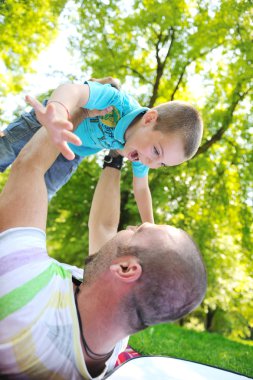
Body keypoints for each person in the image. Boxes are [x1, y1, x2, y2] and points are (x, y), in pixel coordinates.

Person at [0, 125, 207, 379]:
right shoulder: (114, 335)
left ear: (126, 269)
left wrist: (74, 111)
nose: (130, 226)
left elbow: (29, 167)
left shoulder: (25, 296)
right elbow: (103, 227)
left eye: (137, 231)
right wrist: (116, 156)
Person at [0, 77, 203, 224]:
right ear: (149, 120)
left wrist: (149, 225)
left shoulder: (142, 152)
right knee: (6, 150)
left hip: (72, 152)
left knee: (40, 194)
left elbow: (141, 188)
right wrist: (59, 114)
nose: (151, 163)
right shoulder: (116, 103)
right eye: (157, 152)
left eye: (162, 164)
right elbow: (72, 90)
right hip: (52, 121)